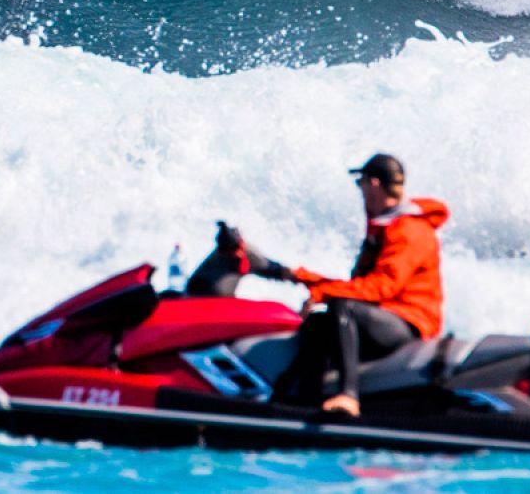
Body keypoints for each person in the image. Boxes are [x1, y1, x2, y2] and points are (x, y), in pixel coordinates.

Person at [191, 153, 448, 418]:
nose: (361, 196)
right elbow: (359, 286)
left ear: (373, 184)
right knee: (317, 323)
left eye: (360, 185)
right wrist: (297, 276)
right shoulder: (384, 227)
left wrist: (323, 293)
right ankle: (303, 399)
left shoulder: (409, 230)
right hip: (382, 318)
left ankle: (348, 396)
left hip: (408, 323)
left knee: (342, 307)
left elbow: (381, 288)